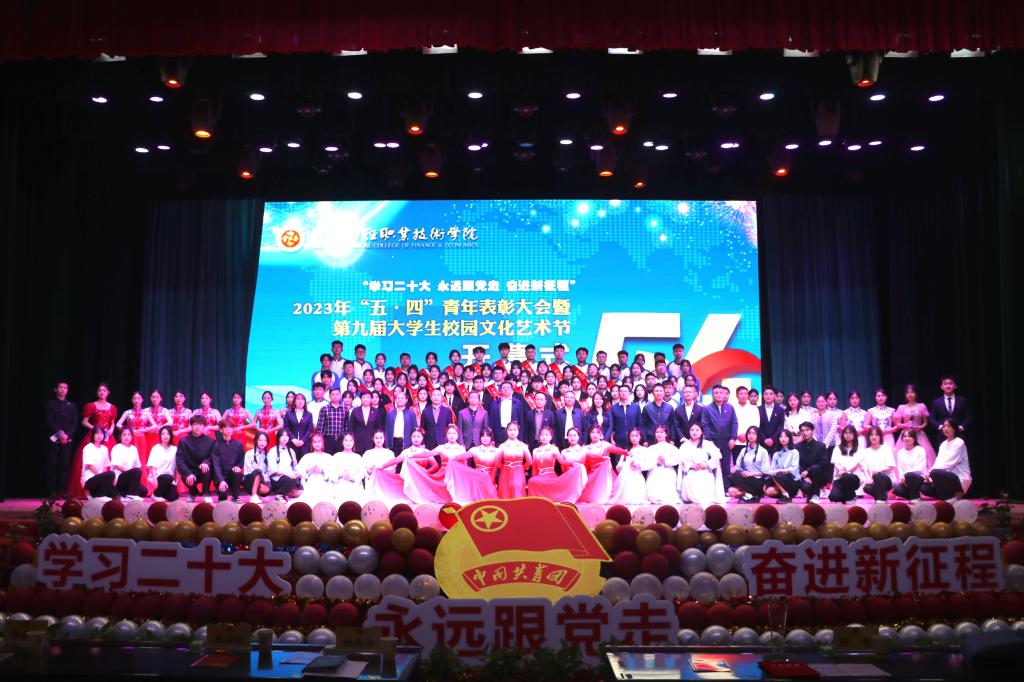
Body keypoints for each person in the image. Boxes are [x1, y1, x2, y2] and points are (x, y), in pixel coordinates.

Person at [67, 383, 118, 498]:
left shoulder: (112, 407)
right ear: (97, 392)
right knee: (89, 461)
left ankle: (107, 488)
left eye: (104, 390)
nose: (102, 392)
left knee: (108, 461)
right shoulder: (92, 406)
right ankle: (88, 489)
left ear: (108, 393)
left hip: (108, 437)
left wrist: (110, 430)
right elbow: (84, 422)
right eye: (100, 390)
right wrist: (96, 430)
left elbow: (112, 423)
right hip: (95, 435)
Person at [383, 428, 451, 504]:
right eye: (414, 436)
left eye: (418, 436)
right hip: (410, 481)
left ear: (422, 438)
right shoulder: (407, 451)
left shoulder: (425, 451)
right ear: (410, 437)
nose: (416, 439)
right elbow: (396, 460)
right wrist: (382, 466)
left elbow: (435, 465)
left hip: (422, 481)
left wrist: (425, 473)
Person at [528, 426, 583, 503]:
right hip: (539, 477)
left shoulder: (554, 449)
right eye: (542, 435)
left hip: (550, 476)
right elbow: (534, 468)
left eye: (547, 435)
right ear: (539, 437)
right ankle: (536, 502)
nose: (544, 437)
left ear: (551, 437)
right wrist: (534, 477)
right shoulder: (535, 451)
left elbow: (562, 462)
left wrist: (573, 464)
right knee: (531, 481)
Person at [921, 418, 972, 500]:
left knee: (935, 472)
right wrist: (929, 477)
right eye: (944, 426)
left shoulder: (959, 442)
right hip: (945, 475)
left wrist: (931, 472)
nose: (945, 428)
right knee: (923, 487)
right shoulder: (943, 444)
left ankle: (954, 495)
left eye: (948, 426)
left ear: (954, 428)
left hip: (957, 476)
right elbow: (938, 462)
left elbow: (950, 462)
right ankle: (947, 496)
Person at [445, 425, 499, 503]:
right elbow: (464, 456)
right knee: (476, 503)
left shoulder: (497, 451)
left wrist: (492, 480)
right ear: (480, 437)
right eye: (483, 436)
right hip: (477, 480)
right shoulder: (475, 450)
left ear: (491, 437)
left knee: (490, 503)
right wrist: (453, 458)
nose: (485, 438)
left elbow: (496, 467)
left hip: (489, 479)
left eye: (487, 436)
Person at [678, 422, 725, 507]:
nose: (694, 432)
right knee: (689, 482)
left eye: (697, 430)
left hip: (705, 471)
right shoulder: (684, 445)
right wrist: (690, 466)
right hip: (690, 472)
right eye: (692, 430)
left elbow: (718, 455)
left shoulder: (707, 443)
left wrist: (706, 464)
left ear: (702, 432)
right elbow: (680, 460)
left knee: (704, 486)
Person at [700, 384, 737, 490]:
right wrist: (709, 440)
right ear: (713, 395)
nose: (719, 395)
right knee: (712, 465)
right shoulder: (707, 409)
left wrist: (733, 438)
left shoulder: (730, 407)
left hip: (726, 441)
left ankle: (725, 488)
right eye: (716, 393)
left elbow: (734, 423)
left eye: (721, 392)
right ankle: (712, 489)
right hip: (713, 441)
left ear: (724, 394)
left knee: (725, 466)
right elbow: (705, 424)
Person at [578, 425, 628, 503]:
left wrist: (625, 452)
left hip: (605, 472)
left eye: (597, 433)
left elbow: (615, 449)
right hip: (592, 474)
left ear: (601, 434)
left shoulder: (605, 444)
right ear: (589, 434)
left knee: (606, 462)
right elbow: (587, 457)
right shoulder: (585, 448)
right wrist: (601, 458)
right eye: (593, 432)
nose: (595, 435)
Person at [46, 380, 78, 497]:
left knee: (64, 466)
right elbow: (49, 421)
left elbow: (74, 423)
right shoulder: (50, 404)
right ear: (56, 389)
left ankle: (62, 490)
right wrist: (60, 434)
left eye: (65, 388)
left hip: (67, 440)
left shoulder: (72, 405)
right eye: (60, 387)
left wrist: (67, 435)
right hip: (54, 439)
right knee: (52, 465)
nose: (63, 389)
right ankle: (52, 491)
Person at [115, 391, 156, 480]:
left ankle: (143, 481)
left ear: (142, 400)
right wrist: (129, 431)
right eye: (134, 398)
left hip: (142, 439)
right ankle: (130, 479)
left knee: (142, 459)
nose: (137, 400)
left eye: (138, 398)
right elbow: (118, 424)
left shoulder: (146, 413)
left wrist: (144, 430)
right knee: (131, 459)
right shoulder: (127, 412)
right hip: (130, 438)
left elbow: (154, 425)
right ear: (132, 400)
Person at [893, 384, 936, 468]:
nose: (910, 394)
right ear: (905, 395)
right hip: (906, 434)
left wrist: (921, 427)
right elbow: (897, 424)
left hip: (918, 434)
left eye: (912, 392)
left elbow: (925, 422)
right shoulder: (901, 407)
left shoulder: (921, 406)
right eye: (908, 393)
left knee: (925, 454)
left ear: (915, 394)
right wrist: (906, 425)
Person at [607, 427, 651, 504]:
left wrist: (638, 464)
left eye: (636, 436)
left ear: (640, 437)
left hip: (637, 477)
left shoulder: (644, 450)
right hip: (625, 479)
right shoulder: (626, 451)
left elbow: (648, 464)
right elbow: (618, 468)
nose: (634, 438)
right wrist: (626, 463)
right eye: (632, 436)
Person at [177, 415, 215, 500]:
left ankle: (206, 493)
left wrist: (206, 462)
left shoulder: (210, 441)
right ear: (191, 426)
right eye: (195, 424)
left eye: (200, 424)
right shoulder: (183, 441)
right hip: (191, 471)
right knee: (185, 475)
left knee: (207, 468)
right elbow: (179, 460)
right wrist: (187, 473)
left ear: (204, 426)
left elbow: (213, 457)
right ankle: (193, 493)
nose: (198, 427)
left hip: (204, 471)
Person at [728, 426, 770, 503]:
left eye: (754, 433)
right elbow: (738, 466)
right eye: (749, 433)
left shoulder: (763, 451)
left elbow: (766, 471)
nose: (751, 435)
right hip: (747, 479)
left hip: (758, 479)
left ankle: (755, 493)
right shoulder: (743, 450)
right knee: (731, 491)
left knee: (735, 475)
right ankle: (752, 495)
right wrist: (734, 469)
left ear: (758, 436)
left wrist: (752, 474)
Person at [793, 422, 832, 503]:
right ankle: (811, 495)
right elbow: (796, 464)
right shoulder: (797, 447)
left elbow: (824, 462)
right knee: (805, 486)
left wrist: (808, 470)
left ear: (812, 431)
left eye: (807, 430)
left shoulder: (821, 446)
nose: (805, 432)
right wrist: (804, 476)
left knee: (815, 468)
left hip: (819, 476)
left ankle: (816, 495)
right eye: (802, 431)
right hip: (803, 476)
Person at [928, 375, 972, 446]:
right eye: (945, 384)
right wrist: (941, 427)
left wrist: (962, 426)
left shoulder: (962, 400)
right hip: (942, 435)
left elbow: (968, 417)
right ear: (941, 387)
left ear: (955, 386)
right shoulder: (936, 402)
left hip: (959, 434)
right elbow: (931, 418)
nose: (948, 386)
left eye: (950, 383)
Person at [645, 424, 682, 504]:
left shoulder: (672, 447)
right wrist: (655, 461)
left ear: (666, 434)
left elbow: (677, 460)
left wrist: (666, 461)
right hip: (654, 472)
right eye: (657, 432)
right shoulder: (651, 448)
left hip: (668, 472)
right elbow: (646, 461)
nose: (659, 434)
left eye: (661, 432)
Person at [762, 429, 802, 503]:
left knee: (777, 474)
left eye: (786, 436)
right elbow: (772, 469)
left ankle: (786, 495)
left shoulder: (794, 452)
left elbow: (793, 469)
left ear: (789, 438)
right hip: (780, 479)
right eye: (781, 436)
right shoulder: (776, 454)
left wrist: (779, 470)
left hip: (793, 481)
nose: (783, 438)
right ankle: (785, 495)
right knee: (767, 491)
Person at [495, 421, 532, 498]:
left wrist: (521, 468)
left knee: (518, 492)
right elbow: (497, 462)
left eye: (514, 430)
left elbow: (529, 461)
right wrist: (505, 468)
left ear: (518, 431)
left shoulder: (523, 446)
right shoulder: (502, 446)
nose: (512, 432)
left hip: (519, 473)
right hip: (505, 473)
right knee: (505, 493)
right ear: (506, 431)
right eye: (510, 430)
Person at [212, 419, 246, 501]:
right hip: (221, 477)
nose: (228, 430)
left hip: (233, 476)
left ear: (233, 429)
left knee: (237, 472)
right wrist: (221, 480)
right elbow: (216, 465)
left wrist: (238, 466)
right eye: (225, 428)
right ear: (221, 430)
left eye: (230, 427)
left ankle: (235, 496)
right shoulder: (216, 445)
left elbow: (241, 459)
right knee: (223, 497)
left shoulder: (238, 444)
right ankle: (222, 493)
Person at [828, 425, 864, 503]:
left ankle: (851, 497)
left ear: (854, 435)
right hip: (839, 477)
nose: (848, 435)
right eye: (846, 433)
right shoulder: (837, 448)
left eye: (850, 433)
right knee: (834, 497)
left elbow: (857, 464)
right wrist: (840, 470)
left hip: (854, 478)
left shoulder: (860, 449)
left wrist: (845, 472)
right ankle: (848, 495)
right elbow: (835, 462)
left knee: (846, 477)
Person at [861, 426, 897, 501]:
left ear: (880, 436)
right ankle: (882, 496)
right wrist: (868, 479)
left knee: (879, 476)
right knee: (866, 488)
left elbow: (891, 466)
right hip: (873, 479)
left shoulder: (886, 449)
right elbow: (864, 468)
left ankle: (881, 500)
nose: (874, 437)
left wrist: (879, 471)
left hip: (887, 478)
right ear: (868, 437)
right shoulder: (865, 452)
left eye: (876, 435)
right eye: (871, 435)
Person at [295, 433, 334, 501]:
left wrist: (322, 470)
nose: (317, 444)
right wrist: (308, 470)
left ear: (322, 443)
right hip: (311, 483)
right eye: (315, 442)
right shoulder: (307, 457)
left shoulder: (328, 457)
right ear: (311, 444)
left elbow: (333, 473)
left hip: (325, 483)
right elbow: (298, 471)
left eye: (319, 441)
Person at [109, 426, 146, 498]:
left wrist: (133, 474)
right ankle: (130, 495)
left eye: (129, 435)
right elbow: (117, 466)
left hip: (131, 477)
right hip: (120, 477)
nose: (127, 437)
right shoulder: (117, 448)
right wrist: (131, 472)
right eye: (124, 435)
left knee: (144, 491)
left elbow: (137, 466)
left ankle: (123, 494)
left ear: (132, 436)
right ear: (120, 436)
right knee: (136, 471)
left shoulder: (134, 449)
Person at [892, 431, 928, 501]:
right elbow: (900, 468)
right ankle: (915, 494)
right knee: (897, 490)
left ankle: (915, 497)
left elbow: (920, 467)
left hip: (918, 477)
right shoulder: (900, 452)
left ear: (914, 438)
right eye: (905, 436)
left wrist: (906, 475)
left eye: (909, 436)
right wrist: (902, 477)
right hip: (905, 480)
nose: (907, 438)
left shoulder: (920, 450)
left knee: (910, 476)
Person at [333, 433, 368, 504]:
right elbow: (332, 473)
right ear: (342, 442)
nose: (348, 442)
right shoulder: (337, 456)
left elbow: (361, 473)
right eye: (346, 440)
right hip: (340, 488)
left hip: (355, 488)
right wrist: (341, 474)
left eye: (350, 440)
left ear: (353, 442)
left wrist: (352, 478)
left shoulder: (358, 457)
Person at [81, 427, 116, 498]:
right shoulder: (88, 447)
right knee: (111, 474)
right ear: (93, 435)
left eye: (101, 433)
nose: (99, 435)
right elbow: (90, 466)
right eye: (97, 433)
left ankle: (100, 494)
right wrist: (103, 477)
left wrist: (106, 479)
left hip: (100, 478)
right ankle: (93, 493)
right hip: (89, 479)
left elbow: (105, 468)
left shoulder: (104, 449)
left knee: (114, 490)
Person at [266, 430, 302, 499]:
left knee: (298, 490)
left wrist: (297, 473)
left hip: (290, 476)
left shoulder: (291, 451)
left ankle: (283, 493)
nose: (285, 438)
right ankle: (280, 494)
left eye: (286, 436)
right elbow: (272, 469)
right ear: (278, 437)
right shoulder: (273, 450)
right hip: (277, 478)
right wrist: (286, 473)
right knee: (293, 483)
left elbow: (295, 466)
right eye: (282, 436)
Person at [147, 425, 179, 501]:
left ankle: (162, 493)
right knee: (167, 477)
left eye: (168, 434)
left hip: (170, 479)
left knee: (174, 498)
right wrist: (155, 481)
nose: (165, 436)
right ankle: (155, 494)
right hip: (157, 477)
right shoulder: (156, 448)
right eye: (163, 434)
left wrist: (176, 481)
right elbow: (152, 466)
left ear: (171, 436)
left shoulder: (175, 449)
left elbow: (177, 467)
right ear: (160, 436)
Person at [316, 387, 350, 454]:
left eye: (337, 394)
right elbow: (320, 427)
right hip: (327, 439)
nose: (335, 396)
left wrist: (345, 438)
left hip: (341, 439)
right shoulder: (324, 409)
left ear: (340, 396)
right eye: (333, 394)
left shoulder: (345, 409)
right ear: (329, 396)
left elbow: (346, 427)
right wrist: (320, 441)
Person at [242, 432, 273, 502]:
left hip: (262, 480)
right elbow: (248, 470)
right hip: (249, 479)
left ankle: (257, 495)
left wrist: (265, 477)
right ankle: (253, 495)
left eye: (265, 441)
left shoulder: (267, 455)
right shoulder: (249, 453)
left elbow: (268, 470)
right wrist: (261, 474)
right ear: (256, 440)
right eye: (260, 440)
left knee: (266, 489)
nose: (262, 443)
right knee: (258, 471)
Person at [385, 390, 417, 455]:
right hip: (393, 444)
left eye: (402, 398)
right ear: (395, 400)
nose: (400, 400)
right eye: (398, 398)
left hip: (407, 443)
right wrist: (387, 446)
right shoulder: (390, 414)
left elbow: (414, 430)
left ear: (406, 400)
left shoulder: (411, 414)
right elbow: (387, 431)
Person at [283, 392, 314, 457]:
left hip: (305, 444)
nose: (300, 401)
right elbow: (286, 427)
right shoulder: (289, 413)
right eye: (298, 399)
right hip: (291, 443)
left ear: (305, 402)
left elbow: (310, 429)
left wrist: (303, 440)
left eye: (302, 399)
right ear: (294, 402)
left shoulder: (309, 414)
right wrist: (293, 439)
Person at [611, 385, 641, 449]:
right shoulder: (613, 408)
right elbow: (612, 425)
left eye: (625, 391)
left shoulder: (636, 407)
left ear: (629, 393)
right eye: (621, 391)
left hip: (633, 440)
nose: (623, 393)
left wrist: (642, 439)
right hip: (618, 440)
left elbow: (640, 424)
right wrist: (612, 439)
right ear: (619, 393)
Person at [757, 385, 785, 453]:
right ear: (763, 396)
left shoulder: (780, 410)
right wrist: (764, 439)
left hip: (776, 443)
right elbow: (757, 426)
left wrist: (773, 439)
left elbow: (780, 426)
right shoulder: (758, 409)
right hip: (761, 442)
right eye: (766, 394)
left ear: (775, 396)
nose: (768, 396)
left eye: (771, 394)